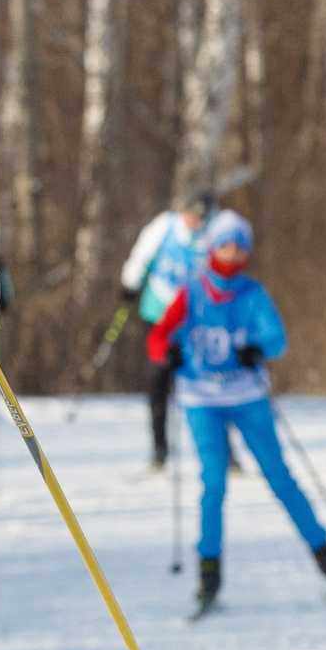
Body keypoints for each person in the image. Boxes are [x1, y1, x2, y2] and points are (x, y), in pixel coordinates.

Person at [146, 211, 326, 617]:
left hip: (247, 397)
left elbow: (277, 339)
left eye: (239, 248)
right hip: (201, 399)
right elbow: (158, 337)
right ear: (212, 249)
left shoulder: (252, 293)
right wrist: (168, 353)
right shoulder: (191, 292)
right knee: (214, 483)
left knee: (280, 477)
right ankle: (209, 574)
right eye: (225, 247)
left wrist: (257, 350)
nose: (232, 255)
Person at [121, 192, 214, 468]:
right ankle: (159, 450)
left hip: (193, 319)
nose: (195, 222)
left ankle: (222, 451)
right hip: (158, 314)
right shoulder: (165, 226)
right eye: (192, 215)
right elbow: (142, 255)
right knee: (158, 381)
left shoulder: (210, 236)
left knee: (210, 383)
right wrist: (130, 283)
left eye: (201, 218)